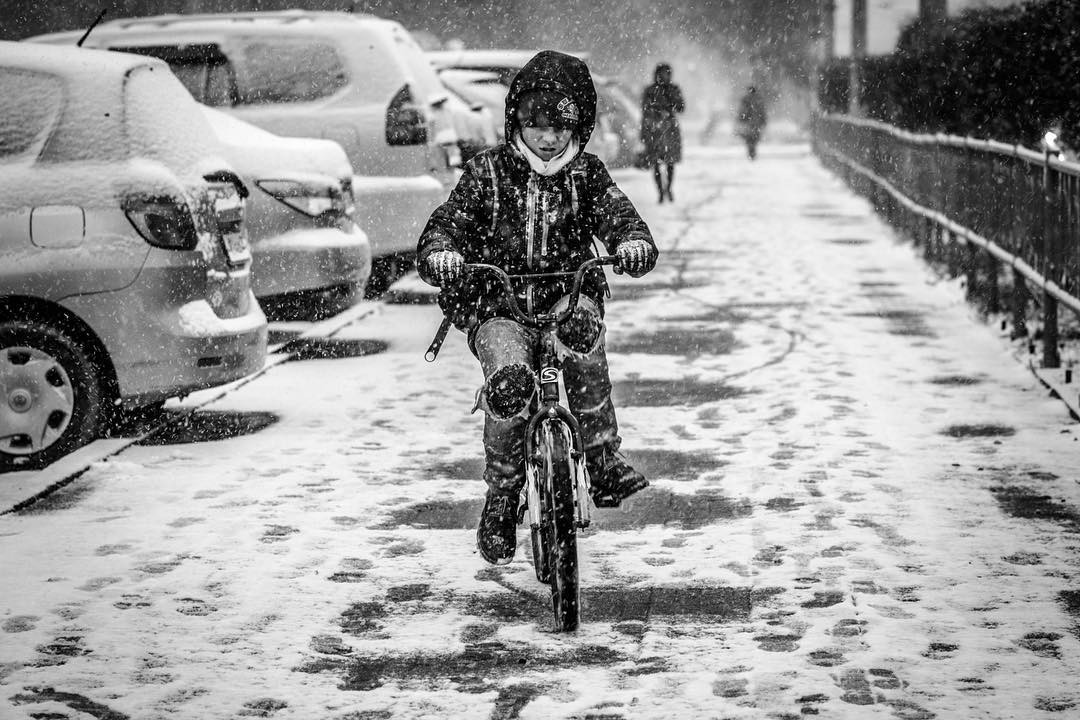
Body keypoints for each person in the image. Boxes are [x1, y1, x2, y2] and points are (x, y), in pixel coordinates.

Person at [416, 50, 659, 565]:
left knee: (582, 335)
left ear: (580, 125)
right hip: (499, 306)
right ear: (515, 121)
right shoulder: (487, 173)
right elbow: (448, 222)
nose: (547, 138)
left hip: (567, 294)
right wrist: (442, 252)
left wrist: (633, 241)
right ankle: (502, 498)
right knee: (509, 382)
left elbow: (620, 216)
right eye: (535, 123)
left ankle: (601, 458)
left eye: (560, 125)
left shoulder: (588, 175)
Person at [640, 62, 685, 203]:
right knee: (656, 163)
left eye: (666, 73)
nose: (664, 76)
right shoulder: (650, 90)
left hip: (669, 129)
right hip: (655, 130)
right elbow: (645, 110)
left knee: (670, 162)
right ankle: (660, 191)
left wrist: (671, 103)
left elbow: (681, 107)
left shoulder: (673, 89)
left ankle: (668, 189)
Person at [736, 85, 768, 160]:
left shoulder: (745, 99)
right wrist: (763, 120)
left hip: (748, 122)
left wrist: (741, 119)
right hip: (756, 122)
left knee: (749, 139)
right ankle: (752, 152)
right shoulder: (758, 99)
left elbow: (742, 110)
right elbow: (762, 111)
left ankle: (751, 152)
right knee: (754, 138)